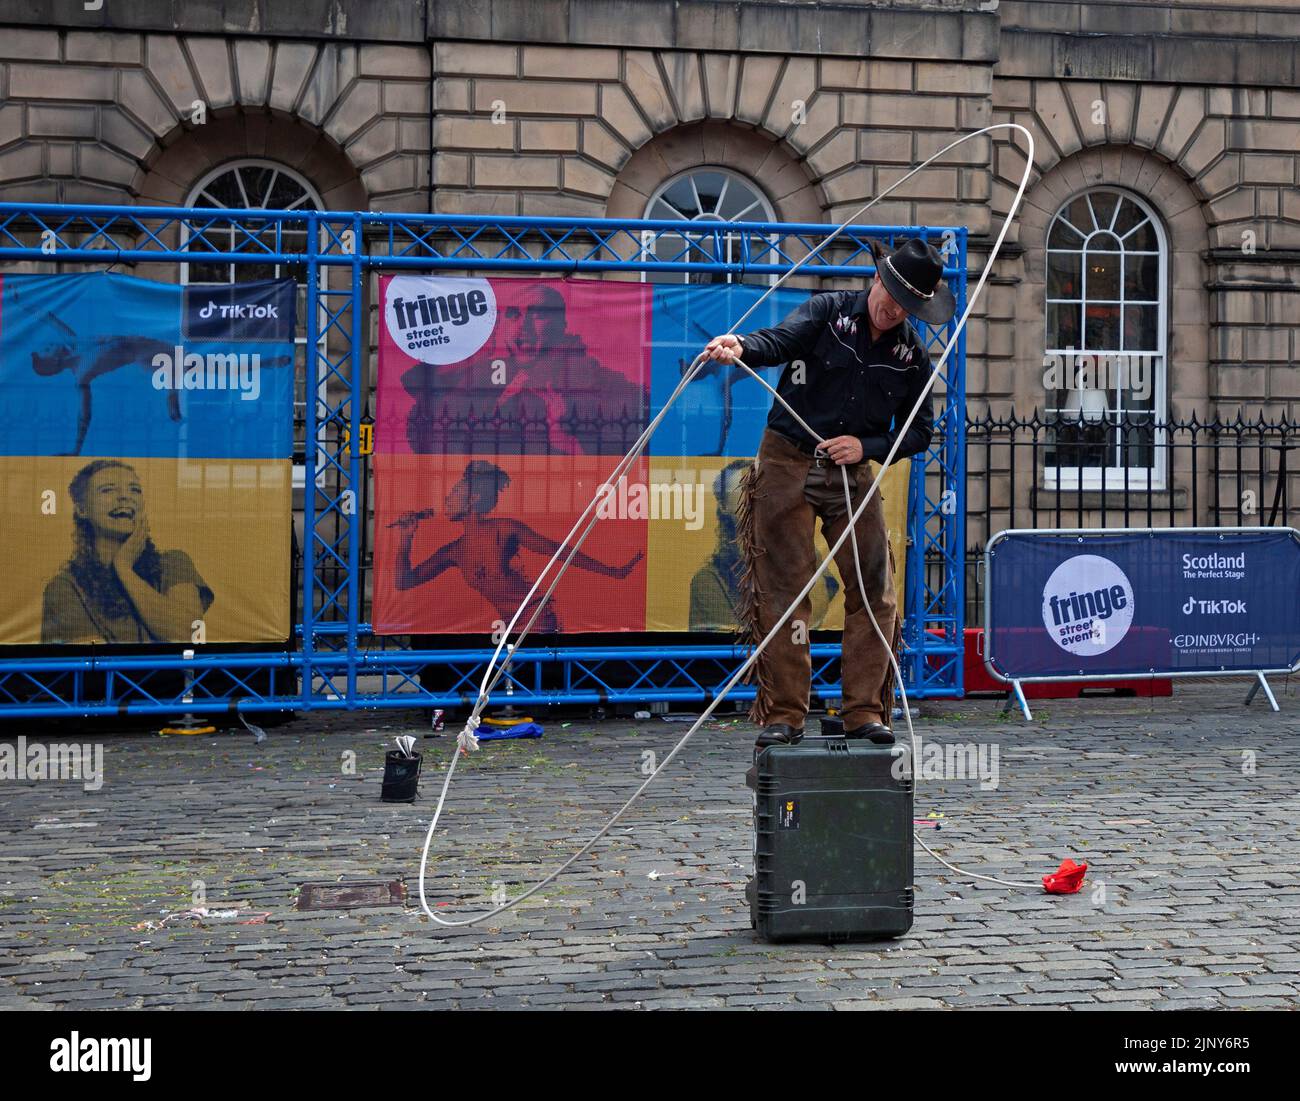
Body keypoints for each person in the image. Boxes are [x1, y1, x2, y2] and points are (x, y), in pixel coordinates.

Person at [702, 237, 956, 749]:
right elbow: (780, 340)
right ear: (877, 279)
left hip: (852, 474)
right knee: (784, 590)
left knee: (875, 591)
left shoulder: (912, 354)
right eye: (892, 295)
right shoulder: (827, 311)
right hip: (787, 460)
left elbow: (920, 432)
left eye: (907, 305)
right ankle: (785, 714)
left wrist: (867, 445)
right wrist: (742, 346)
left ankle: (864, 711)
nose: (893, 310)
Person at [391, 459, 643, 632]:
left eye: (456, 490)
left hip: (538, 619)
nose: (447, 497)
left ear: (473, 499)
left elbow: (560, 551)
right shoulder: (453, 551)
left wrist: (612, 572)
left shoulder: (505, 528)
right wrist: (406, 536)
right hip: (510, 626)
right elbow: (404, 581)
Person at [401, 284, 647, 456]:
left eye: (538, 314)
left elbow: (624, 456)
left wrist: (565, 435)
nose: (523, 326)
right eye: (513, 315)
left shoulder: (594, 379)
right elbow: (418, 393)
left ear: (561, 325)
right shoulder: (487, 371)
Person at [41, 460, 214, 644]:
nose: (125, 497)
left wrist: (123, 568)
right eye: (107, 490)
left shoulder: (173, 563)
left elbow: (188, 636)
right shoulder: (65, 586)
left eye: (134, 490)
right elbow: (94, 661)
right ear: (82, 510)